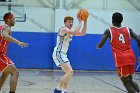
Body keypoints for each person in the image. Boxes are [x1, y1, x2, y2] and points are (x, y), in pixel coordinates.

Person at [96, 12, 140, 93]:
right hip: (131, 57)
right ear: (122, 20)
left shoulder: (108, 31)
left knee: (126, 82)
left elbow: (100, 45)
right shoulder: (128, 29)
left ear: (112, 20)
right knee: (130, 80)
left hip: (121, 59)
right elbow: (138, 39)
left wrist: (97, 46)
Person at [52, 14, 87, 93]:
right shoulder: (63, 29)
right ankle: (61, 90)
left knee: (69, 73)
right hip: (59, 53)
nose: (71, 23)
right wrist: (80, 22)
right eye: (69, 22)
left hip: (63, 54)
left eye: (72, 22)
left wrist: (85, 21)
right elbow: (75, 32)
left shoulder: (71, 32)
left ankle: (59, 89)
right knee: (70, 72)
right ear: (65, 23)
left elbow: (83, 33)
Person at [0, 12, 28, 93]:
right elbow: (5, 36)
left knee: (6, 73)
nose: (14, 20)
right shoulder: (7, 27)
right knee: (15, 72)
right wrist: (18, 42)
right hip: (0, 54)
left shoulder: (2, 27)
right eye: (13, 19)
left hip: (2, 54)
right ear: (8, 19)